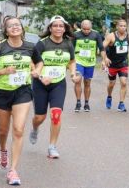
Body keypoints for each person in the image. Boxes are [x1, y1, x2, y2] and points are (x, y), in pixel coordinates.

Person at [0, 15, 37, 185]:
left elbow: (39, 62)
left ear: (22, 28)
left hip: (23, 91)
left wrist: (36, 71)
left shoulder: (30, 47)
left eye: (17, 24)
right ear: (6, 31)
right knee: (3, 130)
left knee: (19, 129)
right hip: (1, 93)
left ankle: (13, 170)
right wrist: (3, 72)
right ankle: (3, 150)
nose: (15, 27)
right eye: (10, 25)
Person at [29, 15, 77, 159]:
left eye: (61, 26)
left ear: (64, 29)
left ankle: (52, 147)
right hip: (40, 84)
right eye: (55, 26)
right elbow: (32, 62)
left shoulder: (68, 44)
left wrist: (73, 73)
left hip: (59, 83)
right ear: (50, 28)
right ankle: (35, 128)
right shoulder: (42, 44)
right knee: (39, 117)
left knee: (56, 115)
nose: (58, 28)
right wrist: (40, 75)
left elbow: (72, 61)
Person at [102, 19, 129, 112]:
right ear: (117, 26)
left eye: (124, 26)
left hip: (123, 63)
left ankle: (121, 103)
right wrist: (105, 59)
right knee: (111, 84)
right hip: (111, 64)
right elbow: (102, 47)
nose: (123, 28)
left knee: (124, 82)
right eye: (121, 26)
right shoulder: (111, 36)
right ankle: (109, 96)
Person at [73, 20, 107, 112]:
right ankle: (78, 102)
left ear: (91, 27)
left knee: (87, 83)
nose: (86, 31)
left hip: (90, 62)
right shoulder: (76, 35)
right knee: (78, 81)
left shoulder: (96, 35)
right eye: (84, 29)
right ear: (81, 27)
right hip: (78, 61)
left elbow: (101, 48)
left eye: (88, 29)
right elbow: (70, 48)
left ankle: (86, 103)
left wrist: (104, 60)